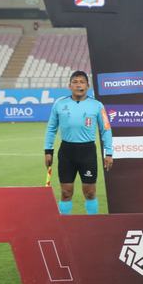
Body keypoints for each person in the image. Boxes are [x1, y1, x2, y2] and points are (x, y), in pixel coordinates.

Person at [44, 70, 113, 215]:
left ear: (87, 86)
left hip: (87, 152)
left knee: (90, 192)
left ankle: (92, 223)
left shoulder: (97, 105)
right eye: (75, 82)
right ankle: (65, 224)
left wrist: (109, 153)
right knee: (65, 192)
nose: (78, 85)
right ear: (69, 86)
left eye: (82, 82)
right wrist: (48, 151)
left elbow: (106, 129)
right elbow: (51, 128)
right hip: (66, 152)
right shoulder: (59, 104)